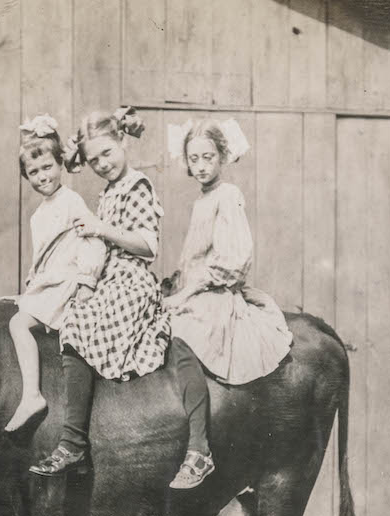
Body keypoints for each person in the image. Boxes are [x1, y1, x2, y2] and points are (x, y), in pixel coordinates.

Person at [29, 107, 215, 491]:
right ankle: (77, 439)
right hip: (108, 277)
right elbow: (75, 161)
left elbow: (148, 246)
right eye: (93, 160)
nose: (101, 164)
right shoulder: (109, 190)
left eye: (108, 154)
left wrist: (101, 228)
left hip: (131, 279)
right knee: (71, 313)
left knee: (78, 325)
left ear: (122, 142)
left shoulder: (138, 185)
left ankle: (73, 442)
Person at [163, 118, 292, 386]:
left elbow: (231, 259)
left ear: (222, 156)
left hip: (213, 295)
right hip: (192, 290)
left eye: (208, 158)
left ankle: (198, 422)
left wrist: (186, 294)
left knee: (183, 334)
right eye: (194, 158)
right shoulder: (201, 200)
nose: (200, 166)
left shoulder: (228, 195)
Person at [5, 114, 107, 432]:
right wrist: (28, 291)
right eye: (33, 172)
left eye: (47, 167)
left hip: (70, 283)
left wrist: (88, 279)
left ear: (60, 164)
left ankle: (33, 395)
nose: (42, 177)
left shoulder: (71, 201)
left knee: (18, 323)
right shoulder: (39, 215)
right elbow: (43, 261)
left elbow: (93, 242)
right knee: (17, 312)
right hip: (52, 283)